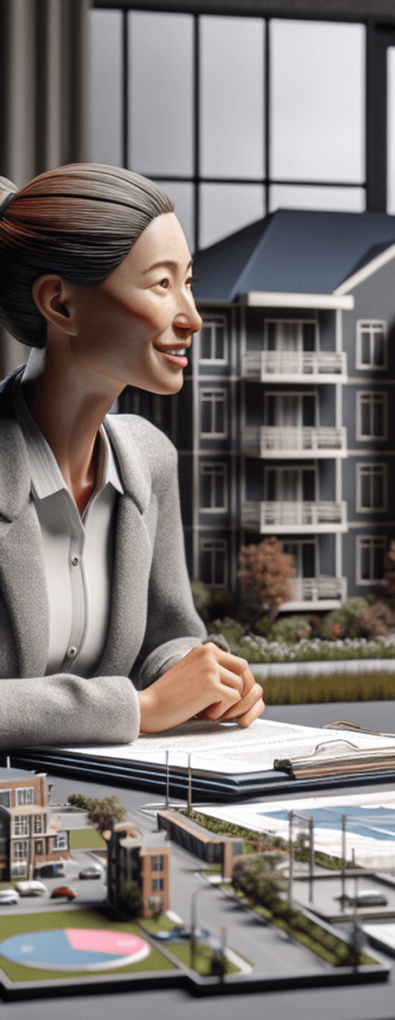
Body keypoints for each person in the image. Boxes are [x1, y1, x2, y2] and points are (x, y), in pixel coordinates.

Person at [0, 163, 264, 750]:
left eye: (188, 282)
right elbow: (140, 702)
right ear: (60, 305)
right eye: (161, 284)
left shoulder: (151, 460)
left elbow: (164, 636)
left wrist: (201, 673)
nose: (192, 317)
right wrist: (137, 708)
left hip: (108, 802)